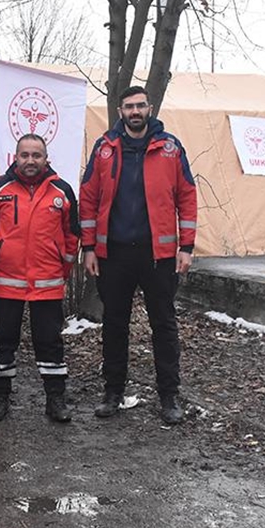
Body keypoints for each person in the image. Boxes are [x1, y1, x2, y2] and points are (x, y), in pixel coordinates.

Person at [79, 85, 198, 425]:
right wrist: (89, 247)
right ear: (119, 111)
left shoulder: (170, 149)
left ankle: (169, 396)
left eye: (140, 105)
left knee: (164, 325)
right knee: (115, 324)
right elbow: (88, 198)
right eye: (129, 106)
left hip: (157, 255)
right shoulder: (105, 148)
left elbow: (187, 198)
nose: (135, 111)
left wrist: (186, 247)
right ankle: (113, 392)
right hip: (113, 254)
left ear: (150, 108)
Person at [0, 134, 79, 423]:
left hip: (47, 283)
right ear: (16, 157)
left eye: (37, 155)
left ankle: (55, 398)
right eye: (25, 155)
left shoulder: (62, 191)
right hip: (7, 281)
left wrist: (63, 271)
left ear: (46, 159)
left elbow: (72, 237)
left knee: (49, 341)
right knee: (4, 339)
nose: (31, 160)